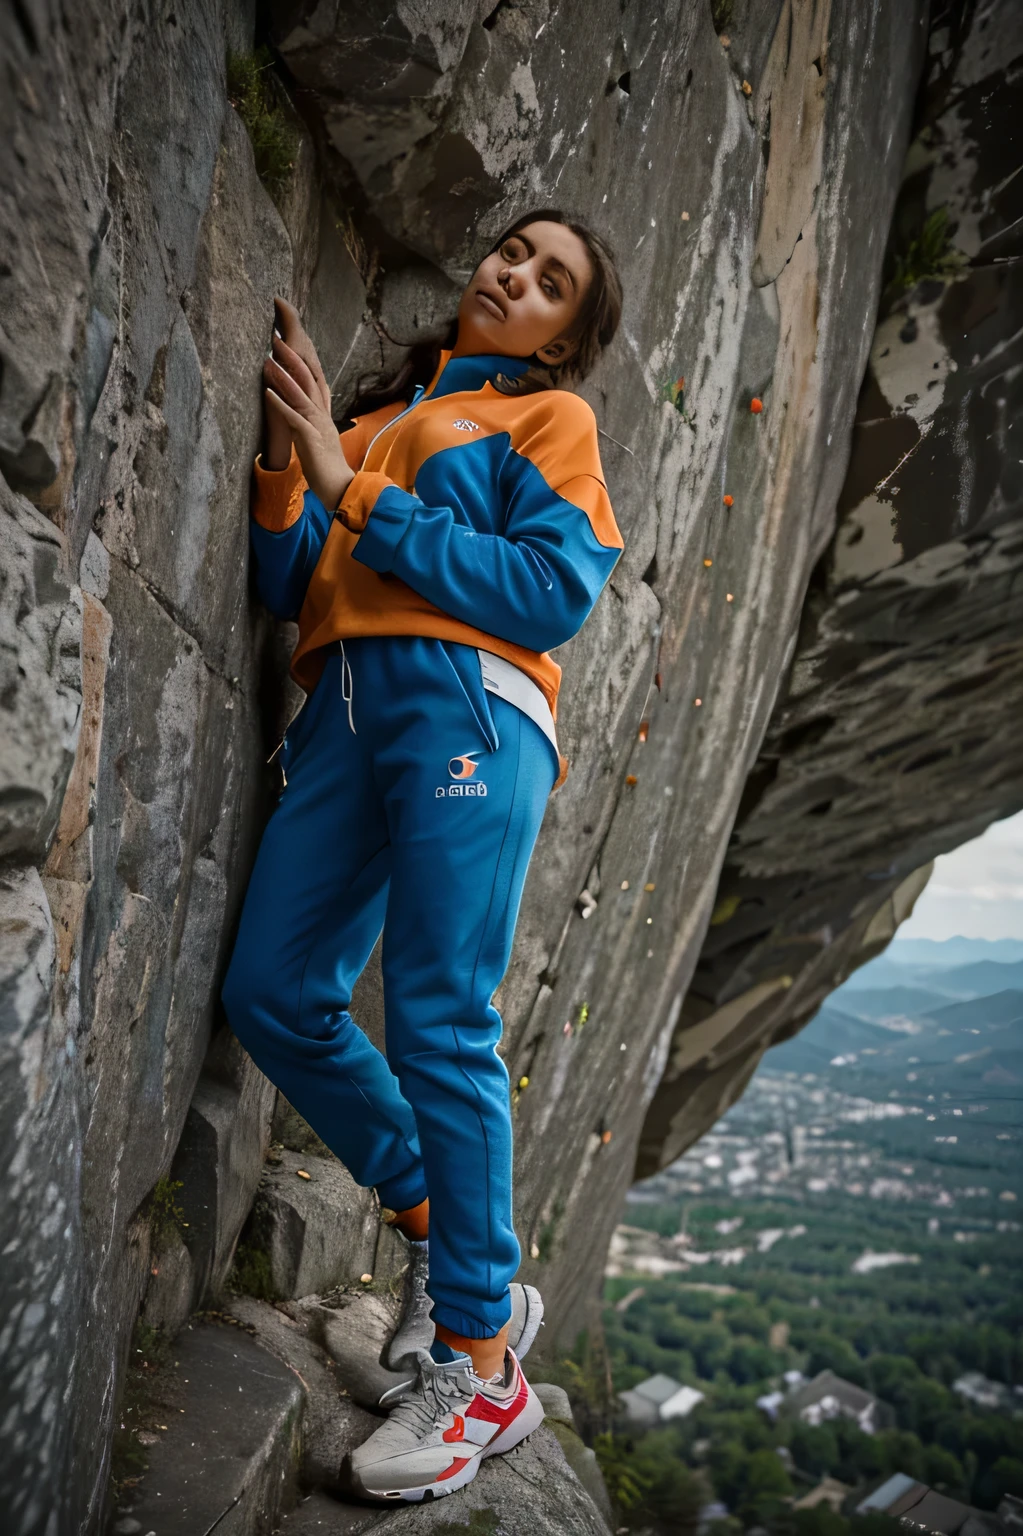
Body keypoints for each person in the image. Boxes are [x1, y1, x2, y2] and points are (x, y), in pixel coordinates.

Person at [222, 208, 624, 1503]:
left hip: (470, 706)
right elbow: (291, 577)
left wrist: (359, 498)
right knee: (275, 993)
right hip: (340, 712)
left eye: (551, 280)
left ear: (569, 336)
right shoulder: (376, 424)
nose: (516, 273)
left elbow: (548, 590)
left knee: (441, 1016)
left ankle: (480, 1366)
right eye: (513, 251)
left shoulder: (547, 425)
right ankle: (446, 1234)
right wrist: (297, 463)